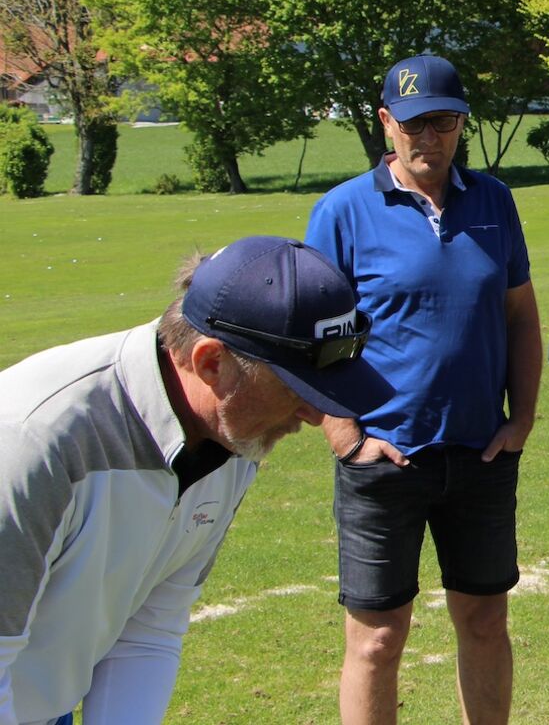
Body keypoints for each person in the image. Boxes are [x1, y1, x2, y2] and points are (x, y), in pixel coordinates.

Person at [0, 236, 383, 725]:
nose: (314, 415)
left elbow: (150, 625)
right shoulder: (32, 441)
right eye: (296, 388)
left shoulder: (233, 434)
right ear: (210, 363)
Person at [306, 53, 543, 725]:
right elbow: (312, 338)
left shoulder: (494, 201)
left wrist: (521, 419)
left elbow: (520, 316)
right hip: (385, 460)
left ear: (461, 123)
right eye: (412, 123)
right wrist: (346, 438)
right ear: (387, 122)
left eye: (441, 122)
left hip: (480, 453)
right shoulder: (342, 212)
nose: (426, 137)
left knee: (485, 622)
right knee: (377, 640)